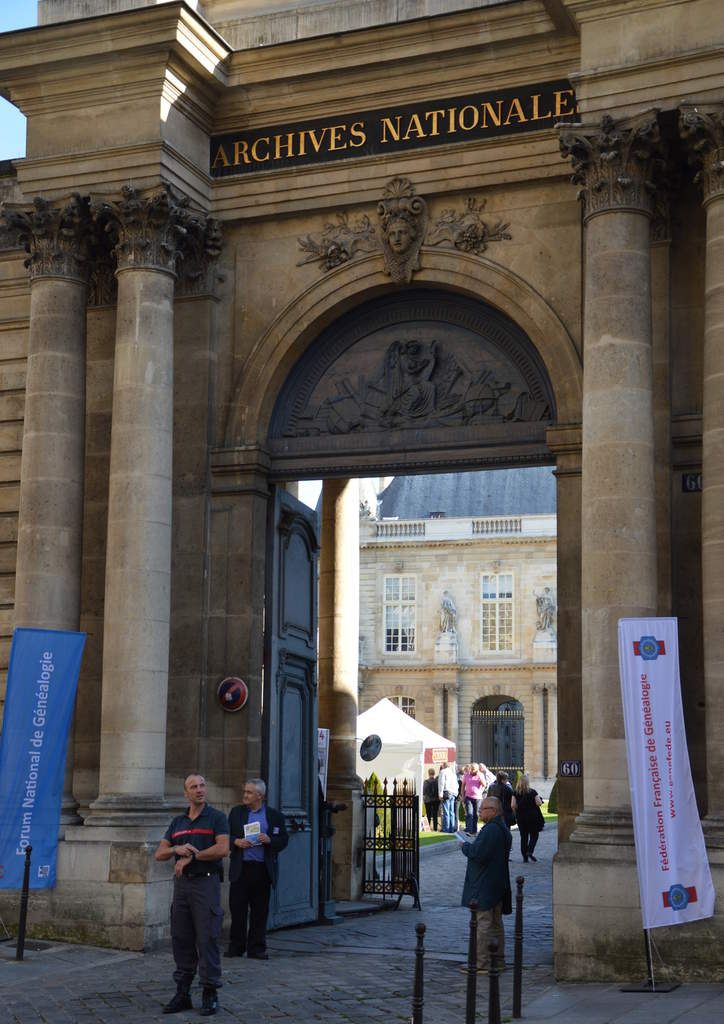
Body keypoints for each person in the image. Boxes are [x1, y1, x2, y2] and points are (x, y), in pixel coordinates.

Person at [155, 774, 230, 1017]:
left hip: (205, 884)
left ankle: (210, 991)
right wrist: (176, 849)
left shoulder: (216, 817)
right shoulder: (178, 822)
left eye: (202, 785)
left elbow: (223, 848)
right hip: (182, 887)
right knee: (181, 937)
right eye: (193, 787)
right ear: (186, 793)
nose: (199, 790)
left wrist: (193, 856)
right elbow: (159, 853)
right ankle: (183, 993)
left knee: (207, 937)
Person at [226, 779, 289, 960]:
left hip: (262, 870)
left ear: (260, 796)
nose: (245, 795)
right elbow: (225, 836)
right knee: (237, 910)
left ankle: (257, 948)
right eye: (245, 791)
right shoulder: (236, 813)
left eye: (249, 792)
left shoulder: (274, 816)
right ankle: (236, 947)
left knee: (260, 911)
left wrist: (270, 840)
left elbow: (283, 840)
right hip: (241, 868)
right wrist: (236, 842)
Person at [460, 796, 512, 974]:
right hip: (496, 883)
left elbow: (478, 853)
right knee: (495, 924)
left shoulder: (491, 829)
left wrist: (465, 846)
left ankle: (482, 963)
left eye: (483, 809)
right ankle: (498, 961)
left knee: (483, 924)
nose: (480, 812)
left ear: (493, 811)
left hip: (485, 884)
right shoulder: (501, 827)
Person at [511, 773, 544, 862]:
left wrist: (516, 812)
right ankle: (530, 851)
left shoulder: (515, 792)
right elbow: (539, 803)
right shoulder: (532, 792)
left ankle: (525, 857)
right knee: (534, 834)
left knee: (524, 836)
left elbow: (513, 805)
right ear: (527, 782)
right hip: (532, 816)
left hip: (521, 817)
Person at [461, 764, 484, 835]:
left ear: (477, 769)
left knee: (476, 814)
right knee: (469, 813)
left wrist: (480, 791)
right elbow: (463, 786)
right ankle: (469, 830)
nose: (472, 771)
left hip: (477, 798)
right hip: (468, 797)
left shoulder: (480, 775)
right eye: (472, 769)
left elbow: (484, 785)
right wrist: (463, 796)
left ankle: (474, 830)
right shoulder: (466, 775)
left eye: (474, 769)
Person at [437, 761, 459, 833]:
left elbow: (441, 783)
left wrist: (440, 794)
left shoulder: (443, 772)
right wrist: (456, 793)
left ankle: (446, 829)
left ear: (443, 766)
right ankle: (451, 828)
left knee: (446, 812)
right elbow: (457, 785)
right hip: (453, 793)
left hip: (446, 792)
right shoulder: (453, 773)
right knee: (451, 812)